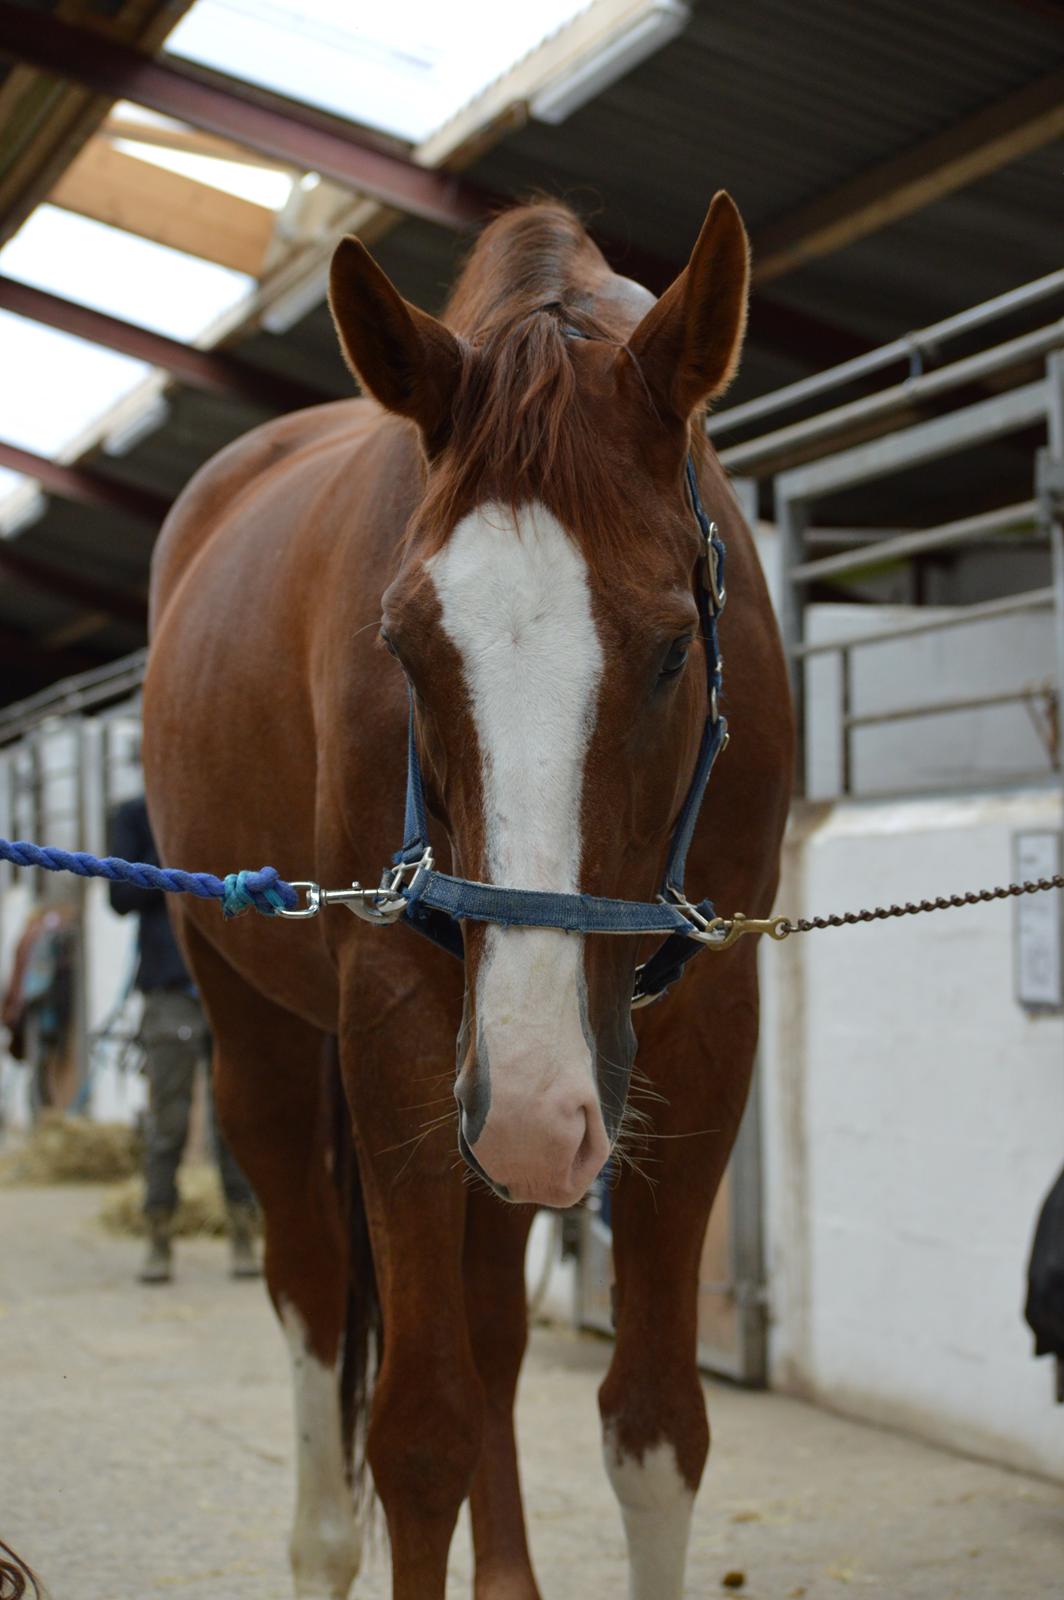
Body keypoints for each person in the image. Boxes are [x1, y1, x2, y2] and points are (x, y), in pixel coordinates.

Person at [107, 795, 260, 1284]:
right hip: (168, 989)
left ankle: (243, 1233)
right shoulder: (134, 817)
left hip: (224, 983)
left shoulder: (222, 807)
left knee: (232, 1119)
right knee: (167, 1121)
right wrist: (174, 855)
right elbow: (120, 898)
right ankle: (158, 1235)